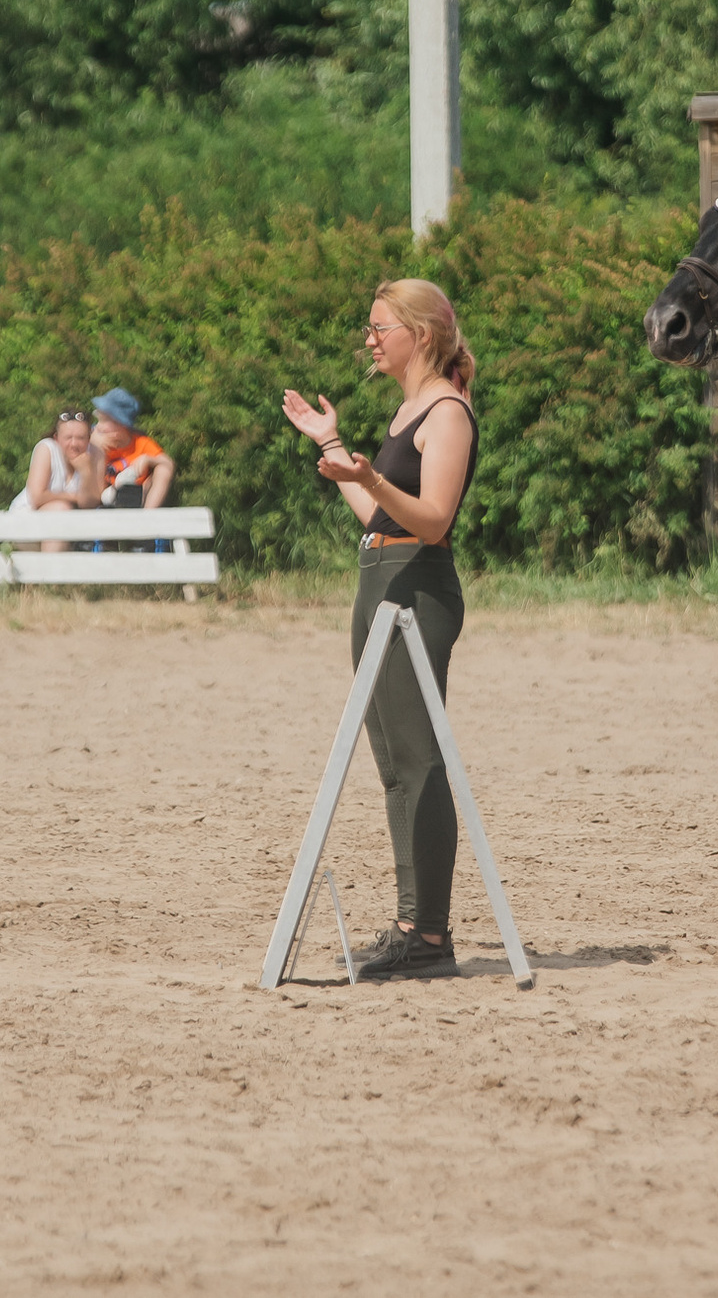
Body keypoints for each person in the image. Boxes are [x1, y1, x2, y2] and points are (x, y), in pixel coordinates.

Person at [280, 279, 480, 981]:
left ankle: (430, 935)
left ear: (419, 335)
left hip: (418, 590)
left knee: (421, 762)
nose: (369, 339)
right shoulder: (406, 411)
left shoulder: (447, 412)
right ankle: (409, 925)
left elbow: (433, 519)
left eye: (379, 327)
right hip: (379, 580)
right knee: (394, 767)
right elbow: (379, 516)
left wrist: (370, 476)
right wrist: (331, 445)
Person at [8, 409, 104, 552]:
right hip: (26, 519)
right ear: (56, 438)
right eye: (68, 438)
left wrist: (86, 473)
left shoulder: (97, 454)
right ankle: (51, 566)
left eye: (81, 438)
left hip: (66, 528)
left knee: (63, 518)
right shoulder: (46, 448)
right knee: (61, 510)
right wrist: (76, 497)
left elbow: (90, 504)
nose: (74, 444)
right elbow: (37, 497)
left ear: (89, 438)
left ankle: (52, 565)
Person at [90, 387, 174, 510]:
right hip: (102, 498)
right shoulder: (93, 437)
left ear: (122, 425)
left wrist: (149, 459)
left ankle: (149, 513)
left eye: (103, 421)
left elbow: (168, 463)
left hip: (135, 497)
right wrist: (94, 446)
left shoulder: (140, 442)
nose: (98, 427)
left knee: (163, 469)